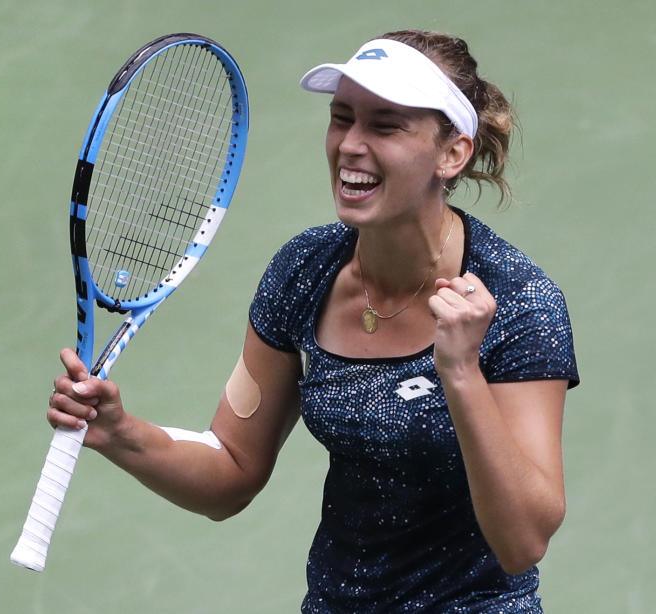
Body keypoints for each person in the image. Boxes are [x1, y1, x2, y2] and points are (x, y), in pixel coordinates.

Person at [48, 29, 579, 613]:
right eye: (342, 118)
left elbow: (523, 542)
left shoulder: (519, 302)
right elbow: (231, 468)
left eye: (385, 125)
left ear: (453, 152)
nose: (350, 144)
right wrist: (122, 433)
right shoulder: (304, 272)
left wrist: (460, 372)